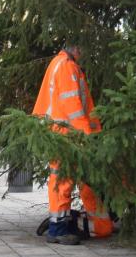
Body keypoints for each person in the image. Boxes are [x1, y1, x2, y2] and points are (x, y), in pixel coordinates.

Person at [32, 44, 112, 245]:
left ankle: (60, 225)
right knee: (63, 181)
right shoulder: (67, 66)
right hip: (66, 135)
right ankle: (58, 229)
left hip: (61, 133)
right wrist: (87, 136)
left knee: (62, 180)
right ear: (77, 48)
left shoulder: (60, 63)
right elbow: (73, 106)